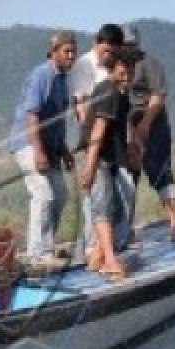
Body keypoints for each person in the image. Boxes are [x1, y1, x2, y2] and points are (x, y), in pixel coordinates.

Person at [9, 30, 77, 262]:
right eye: (67, 51)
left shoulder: (62, 81)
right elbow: (32, 115)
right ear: (54, 52)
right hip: (29, 143)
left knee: (60, 195)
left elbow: (57, 121)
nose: (71, 56)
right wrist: (38, 151)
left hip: (51, 146)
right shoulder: (42, 76)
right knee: (43, 195)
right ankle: (37, 253)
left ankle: (45, 243)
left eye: (73, 51)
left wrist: (65, 150)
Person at [70, 23, 134, 255]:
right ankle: (93, 248)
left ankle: (113, 245)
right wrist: (90, 153)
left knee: (121, 193)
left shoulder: (118, 76)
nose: (107, 55)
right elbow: (84, 107)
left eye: (112, 51)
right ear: (96, 44)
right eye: (104, 50)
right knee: (96, 200)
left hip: (113, 139)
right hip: (96, 137)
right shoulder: (85, 67)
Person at [124, 24, 175, 240]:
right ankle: (126, 228)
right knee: (128, 177)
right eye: (124, 45)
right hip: (127, 125)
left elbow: (158, 96)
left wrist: (145, 124)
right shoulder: (117, 67)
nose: (128, 49)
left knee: (161, 172)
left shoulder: (149, 64)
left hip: (153, 122)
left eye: (131, 44)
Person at [77, 53, 134, 278]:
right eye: (122, 72)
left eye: (129, 72)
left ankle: (99, 255)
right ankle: (109, 259)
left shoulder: (120, 94)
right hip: (97, 156)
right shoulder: (109, 91)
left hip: (109, 157)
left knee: (119, 205)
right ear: (112, 71)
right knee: (103, 207)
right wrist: (90, 167)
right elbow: (97, 132)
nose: (126, 76)